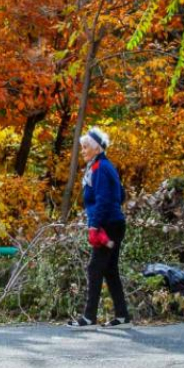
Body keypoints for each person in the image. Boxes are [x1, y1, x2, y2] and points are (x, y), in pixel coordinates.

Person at [67, 126, 132, 331]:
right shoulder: (102, 166)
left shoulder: (101, 168)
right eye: (83, 147)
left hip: (107, 226)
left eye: (86, 147)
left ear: (96, 148)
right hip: (114, 223)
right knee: (110, 270)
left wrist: (95, 225)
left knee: (95, 268)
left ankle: (88, 318)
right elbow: (120, 195)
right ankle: (122, 316)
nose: (83, 150)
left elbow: (103, 199)